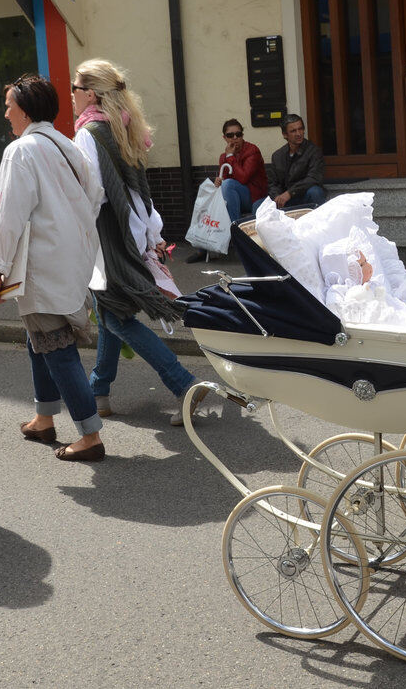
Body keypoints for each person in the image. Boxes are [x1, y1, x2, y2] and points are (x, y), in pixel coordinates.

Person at [72, 59, 209, 426]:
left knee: (116, 316)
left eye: (74, 88)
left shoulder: (88, 133)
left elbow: (91, 194)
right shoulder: (122, 126)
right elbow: (137, 189)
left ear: (89, 94)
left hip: (108, 239)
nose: (70, 95)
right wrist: (153, 234)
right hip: (131, 232)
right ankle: (97, 390)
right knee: (109, 312)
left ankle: (184, 385)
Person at [0, 74, 107, 462]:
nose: (5, 113)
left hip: (41, 265)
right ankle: (43, 417)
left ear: (25, 108)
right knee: (38, 338)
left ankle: (90, 436)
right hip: (72, 260)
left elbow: (8, 216)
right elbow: (96, 196)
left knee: (55, 346)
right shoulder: (69, 146)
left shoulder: (22, 151)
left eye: (8, 106)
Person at [186, 118, 268, 263]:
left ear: (242, 135)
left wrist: (230, 158)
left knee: (229, 185)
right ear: (224, 138)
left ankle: (234, 235)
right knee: (210, 201)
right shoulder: (223, 156)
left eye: (238, 134)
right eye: (230, 135)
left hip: (254, 196)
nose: (235, 138)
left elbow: (242, 178)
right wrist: (219, 181)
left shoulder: (252, 150)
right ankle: (203, 247)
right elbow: (226, 178)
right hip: (234, 199)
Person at [263, 113, 326, 210]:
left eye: (300, 129)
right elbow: (273, 184)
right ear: (285, 134)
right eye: (293, 131)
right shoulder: (277, 156)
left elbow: (313, 178)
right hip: (285, 200)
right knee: (257, 205)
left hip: (304, 196)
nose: (298, 133)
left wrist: (290, 193)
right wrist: (276, 197)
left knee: (316, 192)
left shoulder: (314, 151)